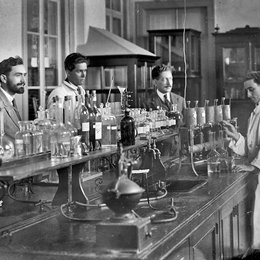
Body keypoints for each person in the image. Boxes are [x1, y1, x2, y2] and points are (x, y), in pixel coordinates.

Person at [222, 71, 260, 250]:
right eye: (246, 91)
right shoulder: (256, 112)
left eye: (251, 89)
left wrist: (252, 167)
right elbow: (252, 146)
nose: (248, 95)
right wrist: (236, 136)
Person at [47, 52, 88, 123]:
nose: (83, 75)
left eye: (85, 71)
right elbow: (53, 122)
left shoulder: (81, 91)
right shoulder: (58, 93)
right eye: (79, 71)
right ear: (68, 72)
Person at [0, 56, 26, 141]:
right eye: (18, 75)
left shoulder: (10, 99)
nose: (23, 81)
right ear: (4, 78)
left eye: (24, 75)